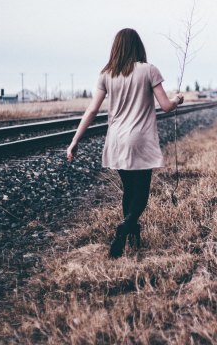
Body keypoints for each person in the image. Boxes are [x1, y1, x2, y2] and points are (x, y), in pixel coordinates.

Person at [66, 28, 183, 258]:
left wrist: (74, 140)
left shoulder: (106, 74)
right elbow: (167, 106)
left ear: (116, 47)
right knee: (141, 194)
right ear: (139, 46)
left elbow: (91, 110)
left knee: (128, 190)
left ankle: (132, 232)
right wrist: (178, 98)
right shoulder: (149, 71)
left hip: (117, 140)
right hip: (141, 139)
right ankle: (125, 227)